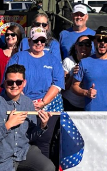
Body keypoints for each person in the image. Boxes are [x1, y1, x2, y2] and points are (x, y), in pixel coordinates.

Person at [7, 27, 64, 161]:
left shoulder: (53, 60)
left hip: (48, 107)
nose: (39, 43)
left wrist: (43, 102)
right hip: (22, 105)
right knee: (20, 140)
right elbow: (10, 82)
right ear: (29, 41)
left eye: (42, 40)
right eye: (36, 40)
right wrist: (26, 102)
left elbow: (57, 84)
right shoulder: (19, 57)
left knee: (44, 142)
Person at [72, 26, 107, 111]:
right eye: (99, 39)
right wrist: (86, 92)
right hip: (91, 115)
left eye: (106, 40)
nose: (102, 43)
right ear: (94, 41)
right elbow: (74, 86)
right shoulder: (84, 62)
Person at [62, 35, 92, 111]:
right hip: (69, 103)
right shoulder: (68, 61)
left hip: (88, 103)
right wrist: (73, 74)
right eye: (81, 44)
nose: (84, 47)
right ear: (76, 46)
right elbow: (63, 88)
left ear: (91, 47)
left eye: (87, 44)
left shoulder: (94, 61)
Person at [0, 23, 23, 93]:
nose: (9, 37)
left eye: (13, 34)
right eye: (7, 35)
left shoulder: (21, 53)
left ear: (18, 36)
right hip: (0, 91)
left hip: (16, 91)